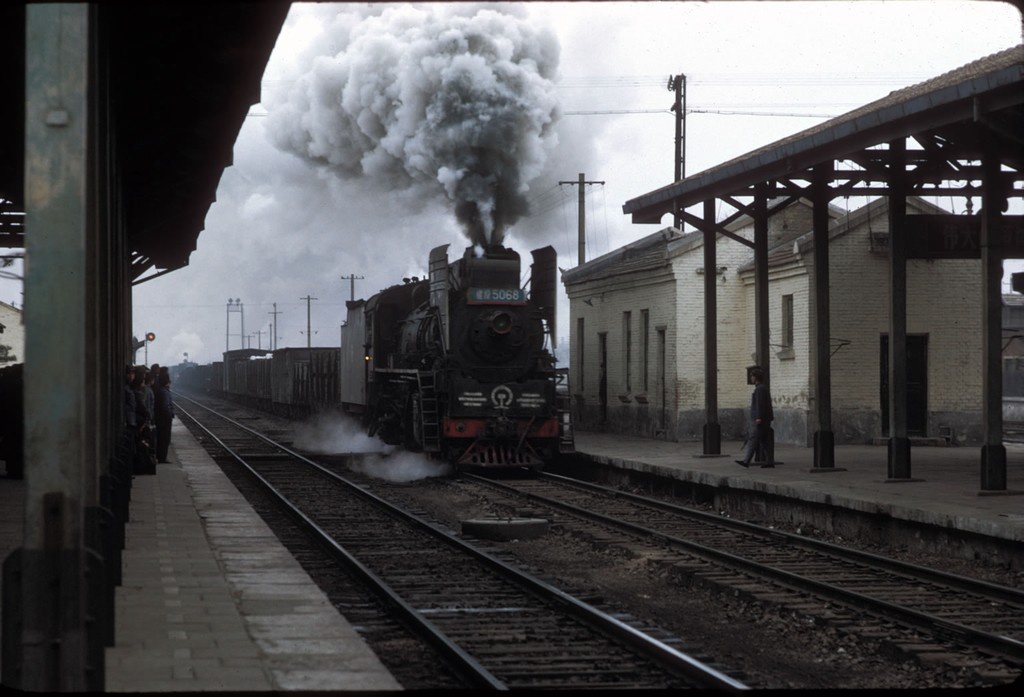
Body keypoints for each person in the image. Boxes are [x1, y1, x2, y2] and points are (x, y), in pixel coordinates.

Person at [737, 366, 774, 468]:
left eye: (752, 376)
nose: (751, 378)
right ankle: (770, 462)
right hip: (765, 419)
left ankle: (746, 461)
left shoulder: (760, 389)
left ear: (756, 377)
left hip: (760, 420)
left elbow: (760, 404)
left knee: (753, 439)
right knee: (765, 441)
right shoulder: (762, 388)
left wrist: (759, 417)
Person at [154, 368, 175, 463]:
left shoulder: (160, 390)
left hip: (160, 418)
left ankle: (160, 456)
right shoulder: (165, 392)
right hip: (165, 419)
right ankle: (162, 458)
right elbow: (165, 407)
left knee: (161, 438)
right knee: (164, 439)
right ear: (167, 382)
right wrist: (170, 414)